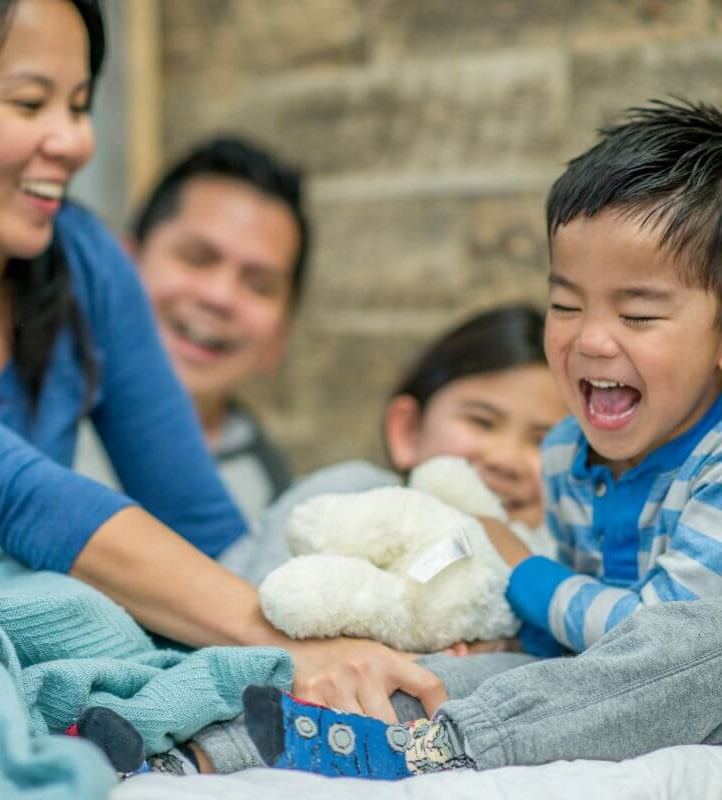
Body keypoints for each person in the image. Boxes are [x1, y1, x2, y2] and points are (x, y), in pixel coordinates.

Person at [0, 0, 446, 722]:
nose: (75, 142)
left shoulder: (84, 265)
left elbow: (203, 527)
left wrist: (361, 633)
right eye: (30, 102)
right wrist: (277, 645)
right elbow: (18, 496)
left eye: (78, 107)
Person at [241, 98, 722, 780]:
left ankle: (458, 744)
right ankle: (221, 743)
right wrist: (507, 629)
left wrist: (520, 571)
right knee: (439, 672)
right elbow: (575, 630)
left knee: (710, 643)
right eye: (565, 304)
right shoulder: (563, 452)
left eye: (639, 314)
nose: (590, 338)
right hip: (584, 685)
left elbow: (657, 639)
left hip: (693, 685)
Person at [188, 304, 565, 774]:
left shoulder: (554, 560)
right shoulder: (353, 492)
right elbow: (264, 605)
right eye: (481, 422)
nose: (506, 458)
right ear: (407, 429)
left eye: (543, 441)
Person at [77, 137, 307, 522]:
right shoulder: (30, 424)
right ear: (123, 264)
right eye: (197, 258)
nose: (219, 297)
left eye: (259, 285)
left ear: (280, 336)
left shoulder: (279, 511)